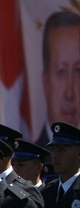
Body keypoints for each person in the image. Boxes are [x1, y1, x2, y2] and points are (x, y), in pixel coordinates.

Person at [38, 11, 80, 141]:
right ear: (46, 82)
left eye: (78, 71)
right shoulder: (28, 161)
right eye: (62, 71)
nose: (69, 94)